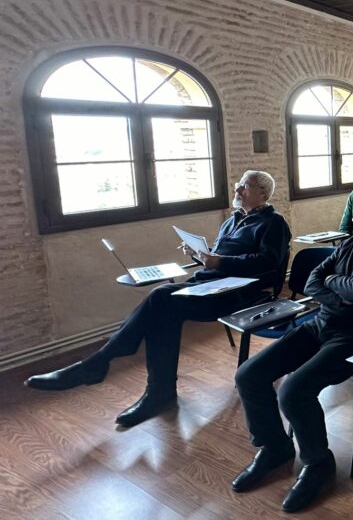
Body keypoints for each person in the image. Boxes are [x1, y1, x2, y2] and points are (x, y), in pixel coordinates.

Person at [25, 170, 291, 428]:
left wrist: (219, 262)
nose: (237, 189)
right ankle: (154, 390)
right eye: (239, 184)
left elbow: (268, 264)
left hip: (243, 293)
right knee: (163, 310)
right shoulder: (233, 220)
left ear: (263, 193)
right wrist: (201, 255)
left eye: (244, 185)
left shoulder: (273, 223)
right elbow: (220, 257)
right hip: (212, 284)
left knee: (161, 296)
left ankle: (108, 367)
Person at [231, 189, 353, 512]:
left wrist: (337, 284)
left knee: (293, 391)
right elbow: (313, 280)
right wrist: (339, 294)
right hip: (322, 323)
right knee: (249, 374)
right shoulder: (349, 242)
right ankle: (275, 447)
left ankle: (318, 464)